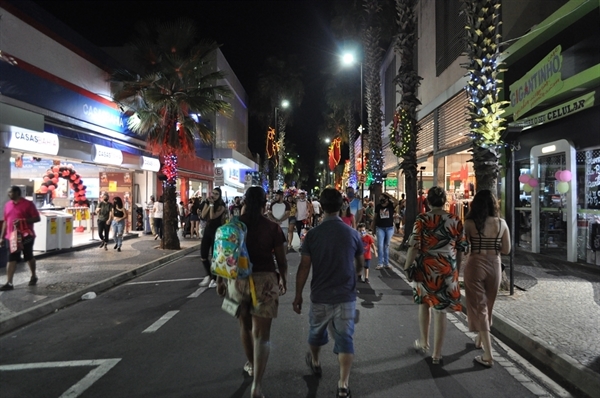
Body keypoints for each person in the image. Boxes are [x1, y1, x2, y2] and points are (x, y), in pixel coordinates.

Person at [216, 186, 287, 398]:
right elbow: (281, 261)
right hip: (265, 280)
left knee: (245, 327)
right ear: (266, 203)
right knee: (262, 335)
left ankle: (251, 365)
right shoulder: (273, 228)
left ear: (244, 202)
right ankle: (257, 385)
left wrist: (220, 280)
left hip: (238, 280)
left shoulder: (234, 225)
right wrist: (283, 279)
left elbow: (224, 255)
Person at [293, 188, 364, 398]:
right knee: (345, 339)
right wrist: (351, 275)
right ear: (341, 207)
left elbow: (304, 267)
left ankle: (315, 361)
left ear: (321, 207)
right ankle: (343, 384)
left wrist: (298, 295)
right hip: (346, 296)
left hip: (320, 295)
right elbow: (360, 265)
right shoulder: (353, 234)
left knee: (315, 333)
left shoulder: (313, 235)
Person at [402, 186, 468, 365]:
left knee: (424, 304)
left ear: (428, 202)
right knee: (441, 311)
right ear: (445, 201)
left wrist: (407, 267)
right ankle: (437, 354)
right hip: (448, 269)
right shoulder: (455, 219)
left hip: (426, 269)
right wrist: (456, 269)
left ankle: (424, 342)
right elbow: (461, 249)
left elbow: (414, 245)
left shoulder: (422, 219)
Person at [463, 190, 511, 368]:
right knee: (488, 304)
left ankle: (488, 355)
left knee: (480, 306)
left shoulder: (468, 223)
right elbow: (506, 250)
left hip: (475, 264)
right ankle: (479, 341)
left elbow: (463, 246)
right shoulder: (502, 223)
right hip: (495, 264)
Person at [0, 186, 41, 291]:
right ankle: (9, 282)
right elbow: (5, 221)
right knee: (11, 258)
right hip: (11, 237)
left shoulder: (28, 204)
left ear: (17, 193)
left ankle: (33, 275)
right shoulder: (7, 205)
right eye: (8, 193)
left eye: (11, 193)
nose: (9, 195)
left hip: (26, 236)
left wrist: (23, 220)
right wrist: (1, 237)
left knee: (28, 257)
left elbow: (37, 218)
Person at [199, 187, 226, 288]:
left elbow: (212, 216)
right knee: (203, 255)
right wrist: (208, 203)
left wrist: (211, 205)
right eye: (213, 193)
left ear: (219, 196)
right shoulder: (208, 201)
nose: (213, 195)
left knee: (215, 256)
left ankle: (215, 279)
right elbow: (203, 215)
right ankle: (209, 275)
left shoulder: (221, 205)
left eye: (216, 194)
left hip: (217, 231)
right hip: (208, 230)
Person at [372, 194, 395, 270]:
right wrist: (373, 228)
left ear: (386, 199)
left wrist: (388, 195)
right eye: (380, 198)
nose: (381, 199)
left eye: (383, 198)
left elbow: (397, 202)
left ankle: (386, 263)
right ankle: (380, 263)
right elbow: (375, 218)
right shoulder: (378, 206)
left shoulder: (391, 206)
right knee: (380, 245)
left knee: (387, 245)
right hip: (380, 227)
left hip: (389, 228)